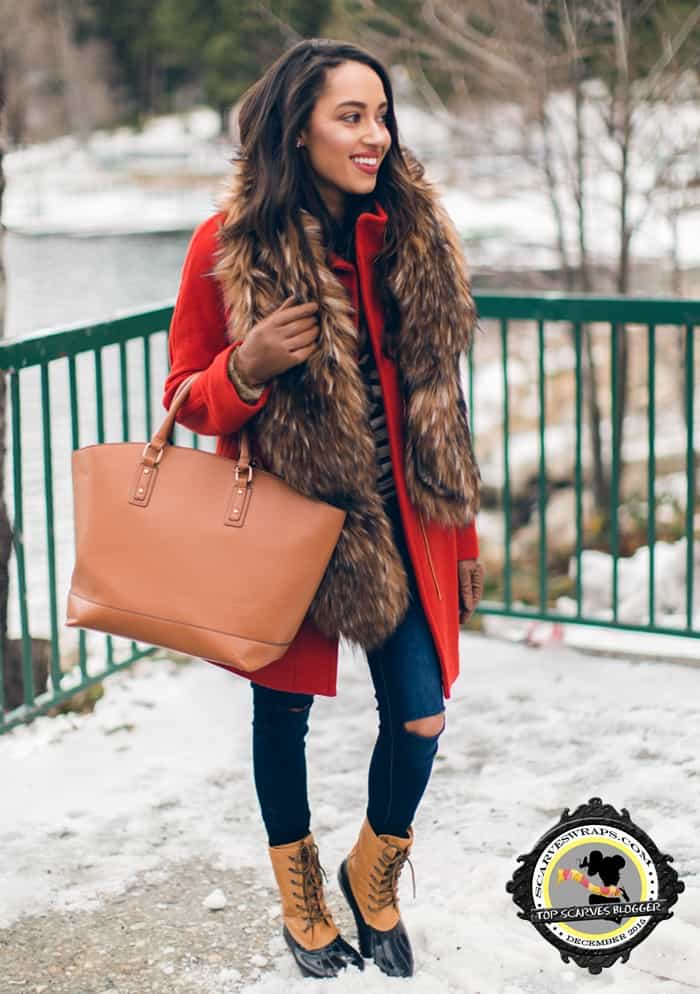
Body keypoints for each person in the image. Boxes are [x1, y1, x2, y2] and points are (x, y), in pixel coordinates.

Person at [162, 37, 485, 981]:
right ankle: (301, 898)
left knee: (420, 717)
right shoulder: (227, 244)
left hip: (406, 521)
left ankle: (371, 877)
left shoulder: (413, 230)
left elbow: (442, 400)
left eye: (382, 115)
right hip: (289, 526)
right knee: (282, 718)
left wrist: (461, 530)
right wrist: (247, 368)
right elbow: (186, 395)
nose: (375, 134)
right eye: (352, 116)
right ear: (297, 128)